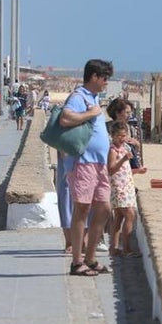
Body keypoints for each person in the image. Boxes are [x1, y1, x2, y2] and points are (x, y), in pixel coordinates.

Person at [60, 58, 115, 277]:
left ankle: (91, 258)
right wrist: (91, 114)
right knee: (82, 208)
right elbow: (65, 118)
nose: (106, 82)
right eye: (105, 78)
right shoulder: (78, 96)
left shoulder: (93, 97)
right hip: (83, 162)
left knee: (104, 208)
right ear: (94, 77)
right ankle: (77, 262)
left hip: (99, 163)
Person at [107, 120, 147, 256]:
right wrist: (123, 159)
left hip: (126, 185)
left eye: (123, 135)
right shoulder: (113, 150)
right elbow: (111, 169)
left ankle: (114, 248)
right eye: (118, 136)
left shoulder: (125, 148)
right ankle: (126, 248)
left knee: (118, 217)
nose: (121, 138)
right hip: (119, 187)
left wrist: (138, 171)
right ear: (113, 136)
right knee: (130, 214)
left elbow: (125, 169)